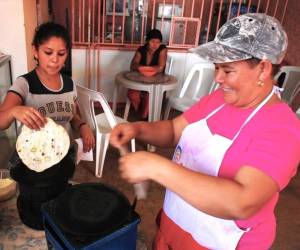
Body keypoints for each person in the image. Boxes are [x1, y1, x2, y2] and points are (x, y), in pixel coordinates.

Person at [110, 13, 300, 249]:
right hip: (176, 222)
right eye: (216, 67)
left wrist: (157, 167)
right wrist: (136, 129)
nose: (217, 78)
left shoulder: (282, 128)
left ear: (263, 68)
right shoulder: (218, 100)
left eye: (228, 70)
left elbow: (242, 201)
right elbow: (173, 130)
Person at [0, 22, 95, 230]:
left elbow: (72, 114)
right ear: (35, 51)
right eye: (48, 52)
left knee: (59, 204)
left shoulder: (69, 84)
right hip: (32, 166)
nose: (54, 59)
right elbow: (1, 120)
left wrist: (83, 125)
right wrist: (15, 111)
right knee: (36, 212)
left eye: (61, 54)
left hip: (62, 159)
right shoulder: (24, 84)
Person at [128, 29, 167, 119]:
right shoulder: (141, 50)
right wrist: (140, 68)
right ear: (147, 41)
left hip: (156, 82)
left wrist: (147, 69)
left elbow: (161, 68)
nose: (155, 45)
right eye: (152, 41)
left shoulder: (162, 49)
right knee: (132, 94)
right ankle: (143, 113)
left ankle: (144, 118)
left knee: (150, 96)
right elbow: (133, 65)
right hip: (140, 81)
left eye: (158, 42)